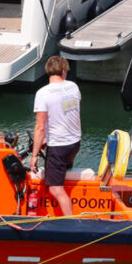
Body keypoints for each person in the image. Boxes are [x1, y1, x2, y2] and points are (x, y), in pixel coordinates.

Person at [31, 55, 82, 217]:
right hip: (75, 143)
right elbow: (66, 111)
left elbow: (40, 127)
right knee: (61, 169)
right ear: (64, 71)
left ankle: (70, 222)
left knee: (54, 188)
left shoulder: (43, 93)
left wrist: (33, 156)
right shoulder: (73, 87)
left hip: (59, 147)